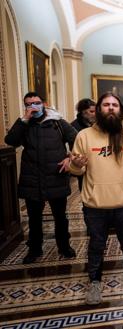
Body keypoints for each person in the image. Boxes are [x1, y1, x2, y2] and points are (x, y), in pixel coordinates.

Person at [68, 92, 123, 305]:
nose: (111, 108)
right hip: (95, 205)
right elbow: (76, 170)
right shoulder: (84, 136)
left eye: (115, 105)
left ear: (121, 110)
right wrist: (75, 164)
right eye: (106, 104)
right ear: (98, 109)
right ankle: (94, 282)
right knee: (96, 245)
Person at [5, 92, 77, 264]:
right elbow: (11, 141)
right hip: (32, 179)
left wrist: (70, 157)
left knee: (60, 216)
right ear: (26, 107)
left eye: (36, 103)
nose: (33, 106)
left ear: (44, 103)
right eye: (29, 104)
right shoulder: (24, 124)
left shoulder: (57, 122)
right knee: (34, 218)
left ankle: (64, 246)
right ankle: (35, 249)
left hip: (56, 177)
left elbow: (77, 138)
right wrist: (23, 120)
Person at [71, 98, 96, 191]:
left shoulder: (96, 124)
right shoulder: (73, 126)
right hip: (82, 163)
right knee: (85, 188)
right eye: (92, 111)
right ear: (83, 112)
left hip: (96, 162)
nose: (95, 114)